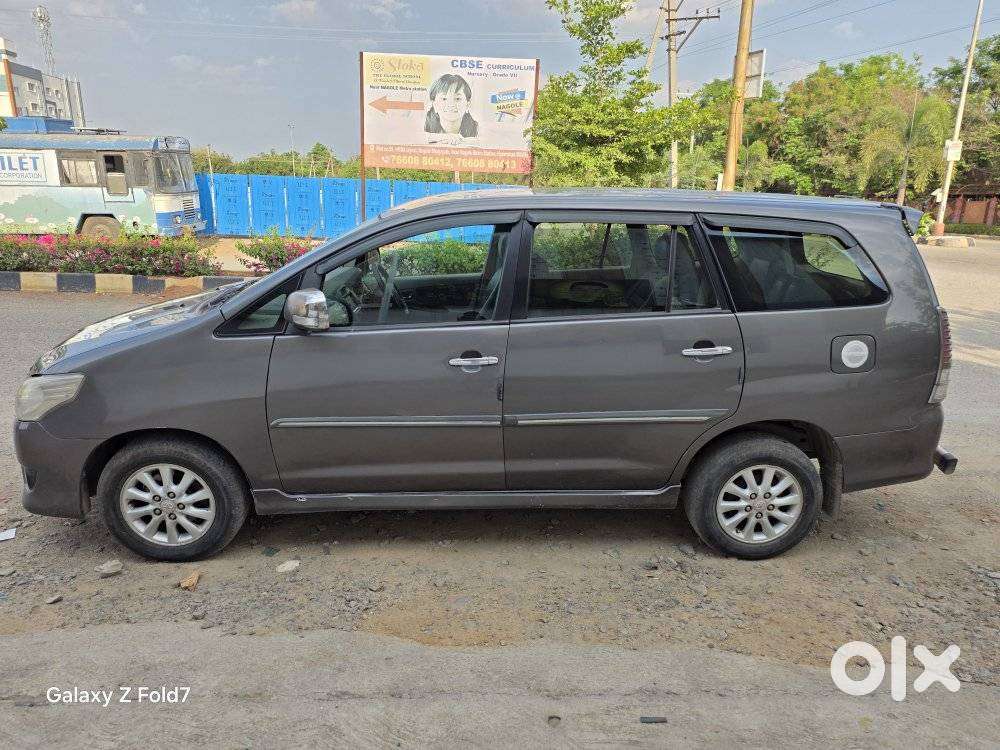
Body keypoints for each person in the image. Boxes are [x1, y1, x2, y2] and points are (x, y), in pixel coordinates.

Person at [425, 74, 479, 144]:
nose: (450, 104)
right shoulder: (424, 127)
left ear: (468, 105)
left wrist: (461, 140)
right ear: (434, 104)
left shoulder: (479, 129)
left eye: (457, 98)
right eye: (444, 99)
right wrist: (445, 137)